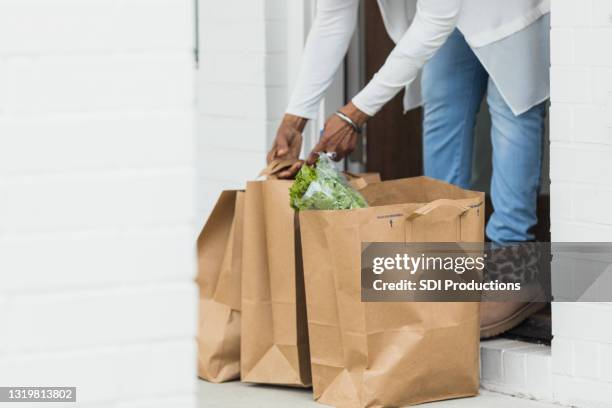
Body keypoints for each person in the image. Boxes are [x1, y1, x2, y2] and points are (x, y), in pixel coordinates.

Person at [267, 0, 550, 337]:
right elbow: (333, 17)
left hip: (504, 8)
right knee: (443, 109)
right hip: (444, 14)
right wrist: (295, 116)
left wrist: (354, 115)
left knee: (512, 109)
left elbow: (434, 21)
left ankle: (511, 266)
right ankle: (445, 256)